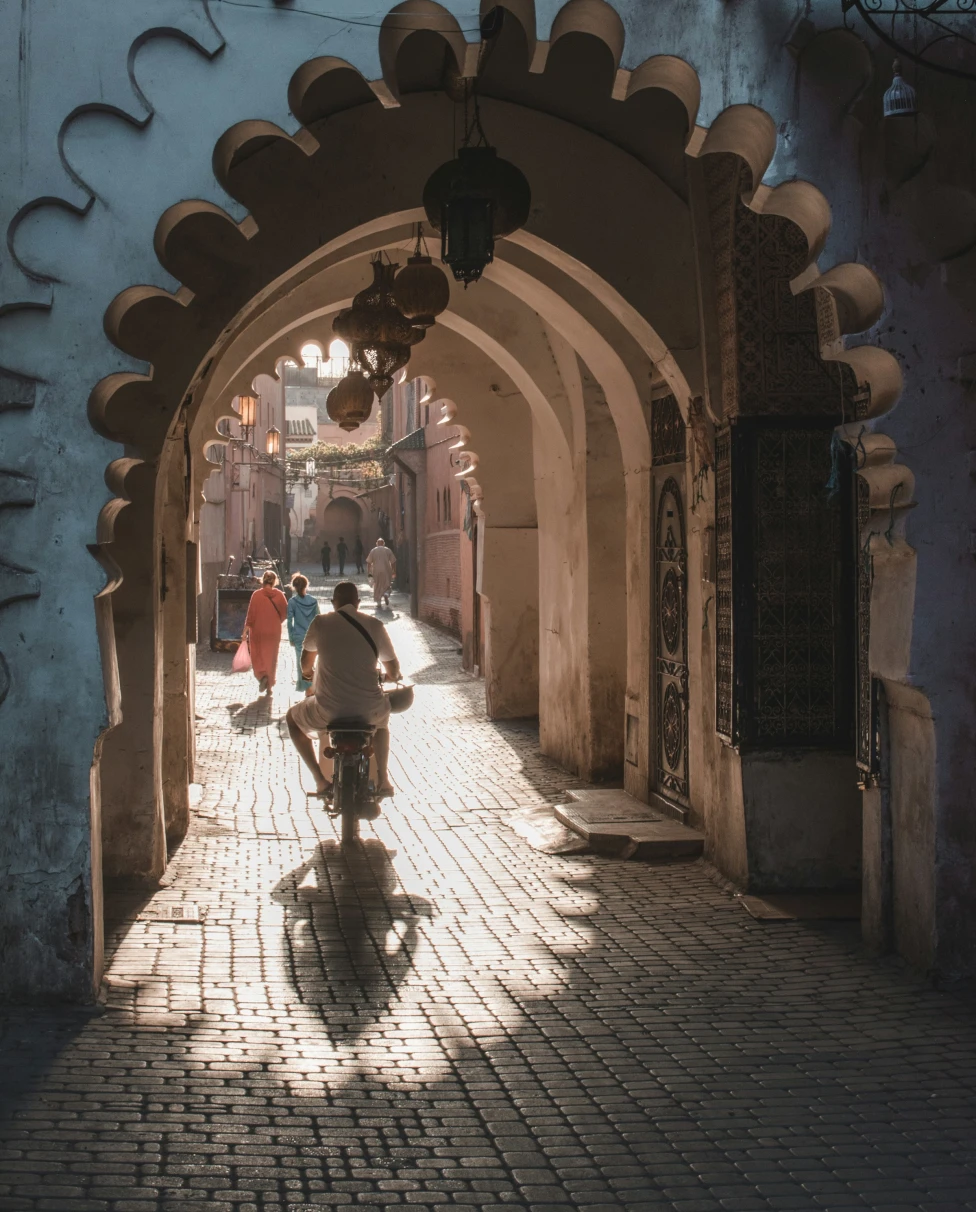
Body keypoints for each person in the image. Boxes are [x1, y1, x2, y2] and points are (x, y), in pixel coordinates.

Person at [286, 581, 400, 799]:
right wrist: (391, 676)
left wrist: (309, 675)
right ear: (357, 603)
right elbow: (393, 669)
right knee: (382, 723)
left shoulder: (321, 623)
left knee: (292, 719)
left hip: (328, 710)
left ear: (333, 602)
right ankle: (383, 779)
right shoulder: (375, 625)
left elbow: (306, 663)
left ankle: (320, 781)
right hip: (370, 710)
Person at [243, 570, 287, 694]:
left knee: (258, 654)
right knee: (271, 657)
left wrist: (245, 630)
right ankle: (269, 686)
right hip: (274, 630)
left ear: (263, 580)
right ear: (274, 581)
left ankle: (262, 676)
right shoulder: (279, 595)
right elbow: (285, 613)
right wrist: (276, 621)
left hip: (258, 630)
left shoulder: (256, 595)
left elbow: (250, 615)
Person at [286, 573, 320, 692]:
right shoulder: (313, 601)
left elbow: (290, 621)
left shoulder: (292, 602)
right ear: (306, 585)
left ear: (294, 587)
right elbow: (318, 619)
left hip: (299, 636)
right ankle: (313, 685)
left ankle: (306, 687)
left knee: (301, 662)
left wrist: (290, 636)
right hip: (312, 636)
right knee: (312, 661)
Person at [366, 537, 396, 608]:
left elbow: (369, 562)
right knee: (387, 585)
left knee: (377, 586)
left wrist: (369, 572)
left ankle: (378, 602)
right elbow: (393, 561)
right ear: (383, 543)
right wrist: (394, 571)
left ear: (377, 544)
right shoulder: (388, 550)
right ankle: (386, 594)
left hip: (376, 571)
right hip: (386, 571)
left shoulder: (373, 550)